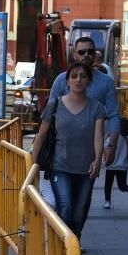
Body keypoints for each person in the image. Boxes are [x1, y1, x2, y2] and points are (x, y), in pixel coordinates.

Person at [31, 62, 106, 237]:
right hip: (60, 167)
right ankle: (64, 251)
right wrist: (33, 165)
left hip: (86, 169)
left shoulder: (97, 108)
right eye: (74, 76)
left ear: (89, 81)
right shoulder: (54, 105)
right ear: (67, 81)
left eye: (83, 76)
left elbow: (98, 137)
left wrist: (97, 160)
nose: (78, 80)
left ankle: (74, 243)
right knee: (65, 209)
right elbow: (41, 135)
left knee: (80, 212)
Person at [48, 36, 121, 167]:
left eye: (90, 51)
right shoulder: (61, 80)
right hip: (61, 152)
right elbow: (49, 113)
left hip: (89, 153)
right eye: (82, 52)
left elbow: (113, 114)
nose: (86, 55)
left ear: (95, 54)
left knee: (84, 186)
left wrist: (111, 145)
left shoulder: (106, 82)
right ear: (75, 54)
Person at [102, 119, 128, 209]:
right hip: (122, 166)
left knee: (108, 184)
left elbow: (106, 149)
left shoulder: (111, 138)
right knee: (122, 185)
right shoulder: (125, 139)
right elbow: (127, 153)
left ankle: (107, 201)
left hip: (111, 166)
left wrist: (104, 161)